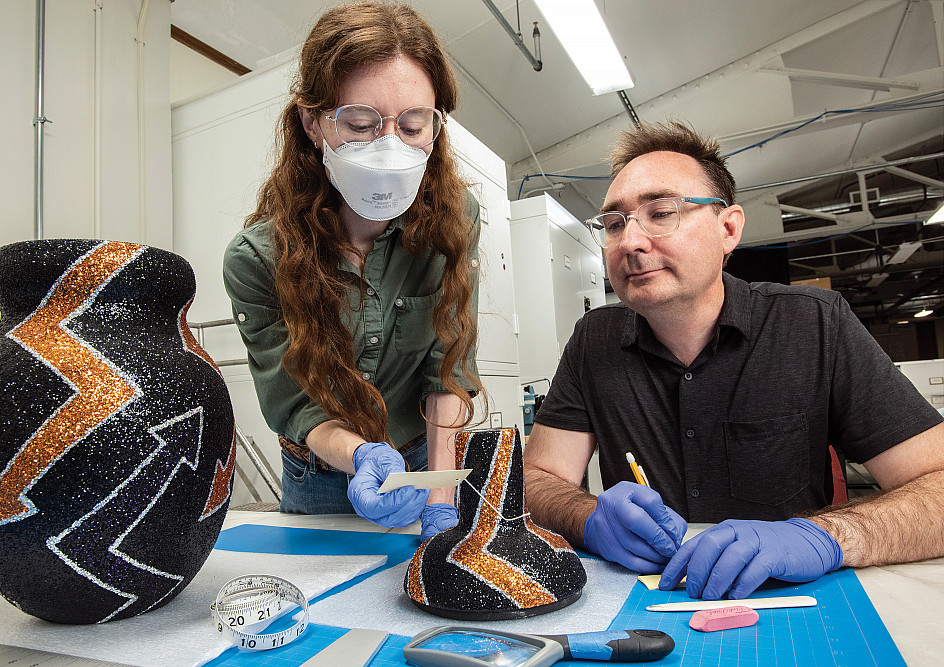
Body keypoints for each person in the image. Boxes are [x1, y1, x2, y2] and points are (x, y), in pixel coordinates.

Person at [523, 120, 944, 601]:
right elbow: (538, 480)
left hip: (787, 599)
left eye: (661, 213)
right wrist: (587, 517)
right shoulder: (593, 340)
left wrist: (826, 537)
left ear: (728, 229)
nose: (630, 243)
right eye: (615, 224)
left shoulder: (814, 324)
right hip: (643, 603)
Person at [223, 1, 484, 540]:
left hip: (421, 458)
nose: (390, 148)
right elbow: (294, 401)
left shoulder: (453, 220)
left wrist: (439, 492)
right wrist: (360, 452)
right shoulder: (256, 259)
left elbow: (447, 368)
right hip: (318, 471)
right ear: (312, 122)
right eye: (361, 124)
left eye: (413, 126)